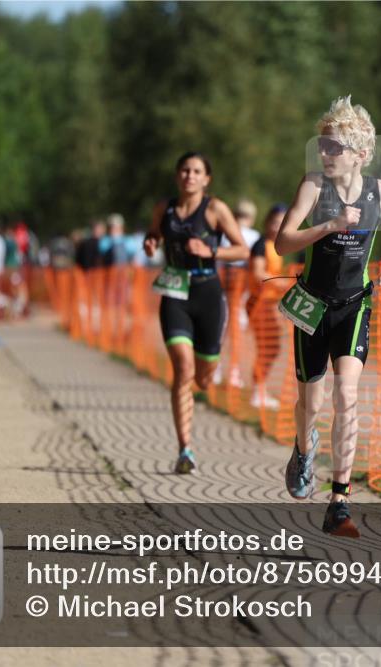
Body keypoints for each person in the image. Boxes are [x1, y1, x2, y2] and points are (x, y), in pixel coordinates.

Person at [274, 96, 381, 537]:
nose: (325, 154)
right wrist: (330, 225)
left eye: (334, 147)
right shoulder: (314, 187)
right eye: (323, 145)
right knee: (310, 403)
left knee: (347, 396)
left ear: (361, 154)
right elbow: (283, 242)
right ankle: (302, 449)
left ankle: (339, 499)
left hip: (354, 306)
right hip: (312, 306)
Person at [143, 152, 249, 474]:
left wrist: (211, 250)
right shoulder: (165, 209)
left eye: (197, 171)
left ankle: (203, 379)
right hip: (175, 292)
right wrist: (150, 243)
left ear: (206, 179)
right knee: (183, 368)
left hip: (207, 294)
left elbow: (242, 248)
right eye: (185, 170)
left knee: (202, 378)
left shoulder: (215, 209)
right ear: (178, 176)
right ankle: (185, 449)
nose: (190, 176)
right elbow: (153, 235)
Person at [215, 199, 262, 388]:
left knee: (220, 330)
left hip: (223, 290)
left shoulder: (226, 234)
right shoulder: (254, 236)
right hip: (240, 292)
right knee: (236, 333)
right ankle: (232, 372)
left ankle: (216, 370)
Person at [247, 204, 288, 409]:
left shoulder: (277, 246)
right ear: (267, 222)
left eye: (282, 222)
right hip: (258, 303)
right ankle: (257, 392)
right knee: (268, 347)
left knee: (271, 347)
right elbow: (257, 273)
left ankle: (260, 389)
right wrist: (280, 282)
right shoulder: (260, 244)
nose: (277, 225)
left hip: (269, 303)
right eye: (275, 221)